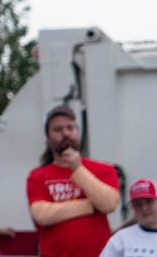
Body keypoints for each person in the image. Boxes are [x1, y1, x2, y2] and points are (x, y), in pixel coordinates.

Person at [26, 104, 119, 257]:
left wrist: (78, 170)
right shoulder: (38, 176)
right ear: (48, 138)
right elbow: (41, 215)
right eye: (58, 129)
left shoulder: (103, 169)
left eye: (70, 128)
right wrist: (90, 206)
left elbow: (109, 204)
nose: (65, 133)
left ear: (77, 131)